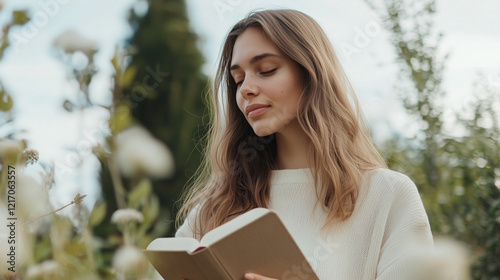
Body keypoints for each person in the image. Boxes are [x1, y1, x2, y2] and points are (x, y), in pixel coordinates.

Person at [175, 9, 434, 280]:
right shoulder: (216, 205)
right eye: (238, 79)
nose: (245, 89)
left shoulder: (388, 196)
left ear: (312, 73)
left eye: (266, 70)